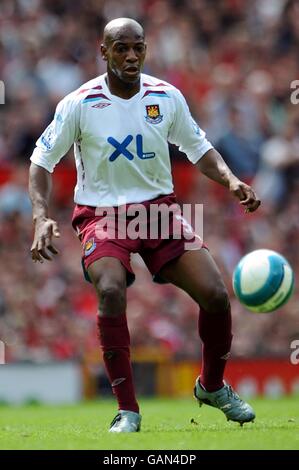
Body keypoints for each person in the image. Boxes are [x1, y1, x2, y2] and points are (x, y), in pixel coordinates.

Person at [29, 18, 260, 433]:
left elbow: (199, 147)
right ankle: (128, 410)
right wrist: (41, 215)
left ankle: (212, 386)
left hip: (158, 213)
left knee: (216, 295)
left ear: (146, 49)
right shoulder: (79, 104)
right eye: (121, 48)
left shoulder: (165, 96)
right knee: (111, 288)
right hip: (102, 215)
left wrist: (230, 180)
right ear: (104, 52)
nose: (131, 56)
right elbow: (40, 163)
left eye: (138, 47)